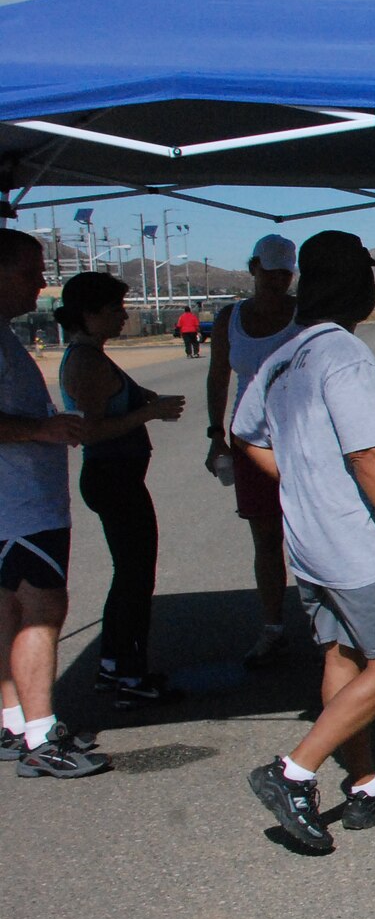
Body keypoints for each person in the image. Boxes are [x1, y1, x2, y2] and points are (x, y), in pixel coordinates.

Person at [234, 231, 375, 855]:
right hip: (355, 544)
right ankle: (292, 773)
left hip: (310, 543)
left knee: (343, 656)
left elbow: (244, 434)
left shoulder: (283, 355)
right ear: (357, 287)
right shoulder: (344, 356)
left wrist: (300, 480)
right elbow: (368, 453)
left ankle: (368, 783)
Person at [56, 272, 186, 710]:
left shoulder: (93, 356)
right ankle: (127, 672)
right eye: (115, 310)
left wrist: (148, 403)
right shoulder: (85, 361)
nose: (123, 317)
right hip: (112, 477)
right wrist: (148, 413)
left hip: (119, 477)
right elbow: (91, 431)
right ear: (89, 314)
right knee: (134, 578)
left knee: (131, 575)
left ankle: (116, 664)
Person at [0, 229, 104, 778]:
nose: (42, 285)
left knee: (11, 609)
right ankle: (42, 734)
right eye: (30, 272)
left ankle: (14, 719)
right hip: (20, 506)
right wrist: (42, 429)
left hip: (20, 506)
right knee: (40, 611)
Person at [205, 234, 302, 667]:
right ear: (253, 268)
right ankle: (273, 627)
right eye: (270, 272)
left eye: (285, 273)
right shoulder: (231, 318)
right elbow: (217, 377)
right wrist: (214, 435)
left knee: (313, 533)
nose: (278, 280)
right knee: (266, 537)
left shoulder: (305, 314)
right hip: (249, 439)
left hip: (300, 435)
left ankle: (327, 625)